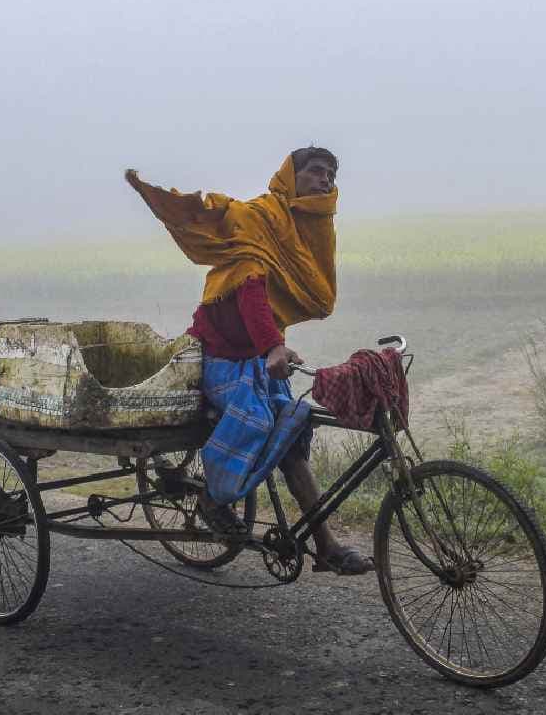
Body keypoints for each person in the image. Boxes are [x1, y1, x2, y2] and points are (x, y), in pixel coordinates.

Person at [126, 148, 374, 575]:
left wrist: (274, 346)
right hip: (219, 354)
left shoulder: (300, 229)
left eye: (331, 174)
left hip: (257, 354)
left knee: (294, 438)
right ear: (290, 176)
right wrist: (273, 346)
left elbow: (272, 301)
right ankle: (213, 498)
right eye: (316, 171)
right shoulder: (258, 217)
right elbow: (251, 288)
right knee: (257, 417)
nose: (326, 179)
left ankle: (326, 544)